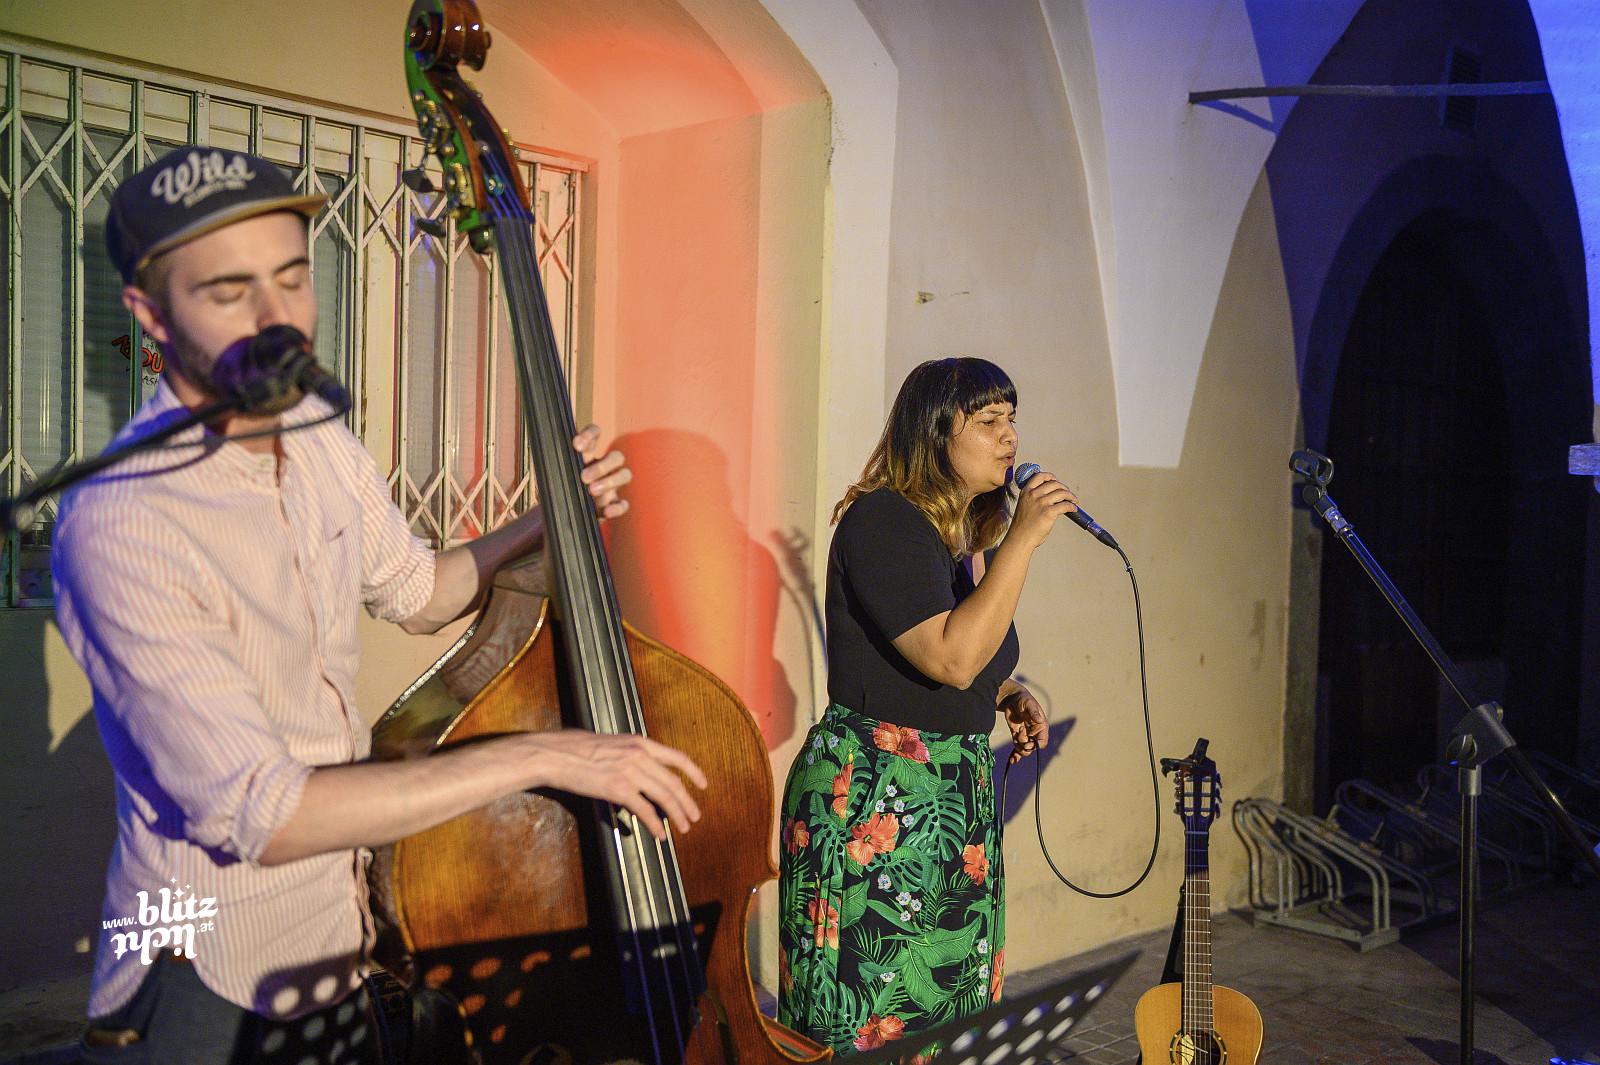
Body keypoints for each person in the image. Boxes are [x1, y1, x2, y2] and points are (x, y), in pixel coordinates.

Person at [51, 145, 706, 1064]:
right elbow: (269, 814)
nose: (277, 317)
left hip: (338, 943)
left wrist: (551, 516)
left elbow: (419, 592)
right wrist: (548, 752)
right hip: (200, 971)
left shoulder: (315, 434)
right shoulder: (123, 520)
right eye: (229, 291)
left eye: (291, 277)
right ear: (150, 313)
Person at [775, 357, 1074, 1055]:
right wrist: (1024, 539)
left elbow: (966, 659)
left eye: (1012, 420)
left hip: (948, 805)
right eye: (989, 421)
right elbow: (949, 657)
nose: (1010, 436)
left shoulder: (960, 538)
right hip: (877, 801)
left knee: (946, 1018)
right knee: (870, 1012)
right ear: (937, 432)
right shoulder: (882, 520)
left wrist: (1006, 692)